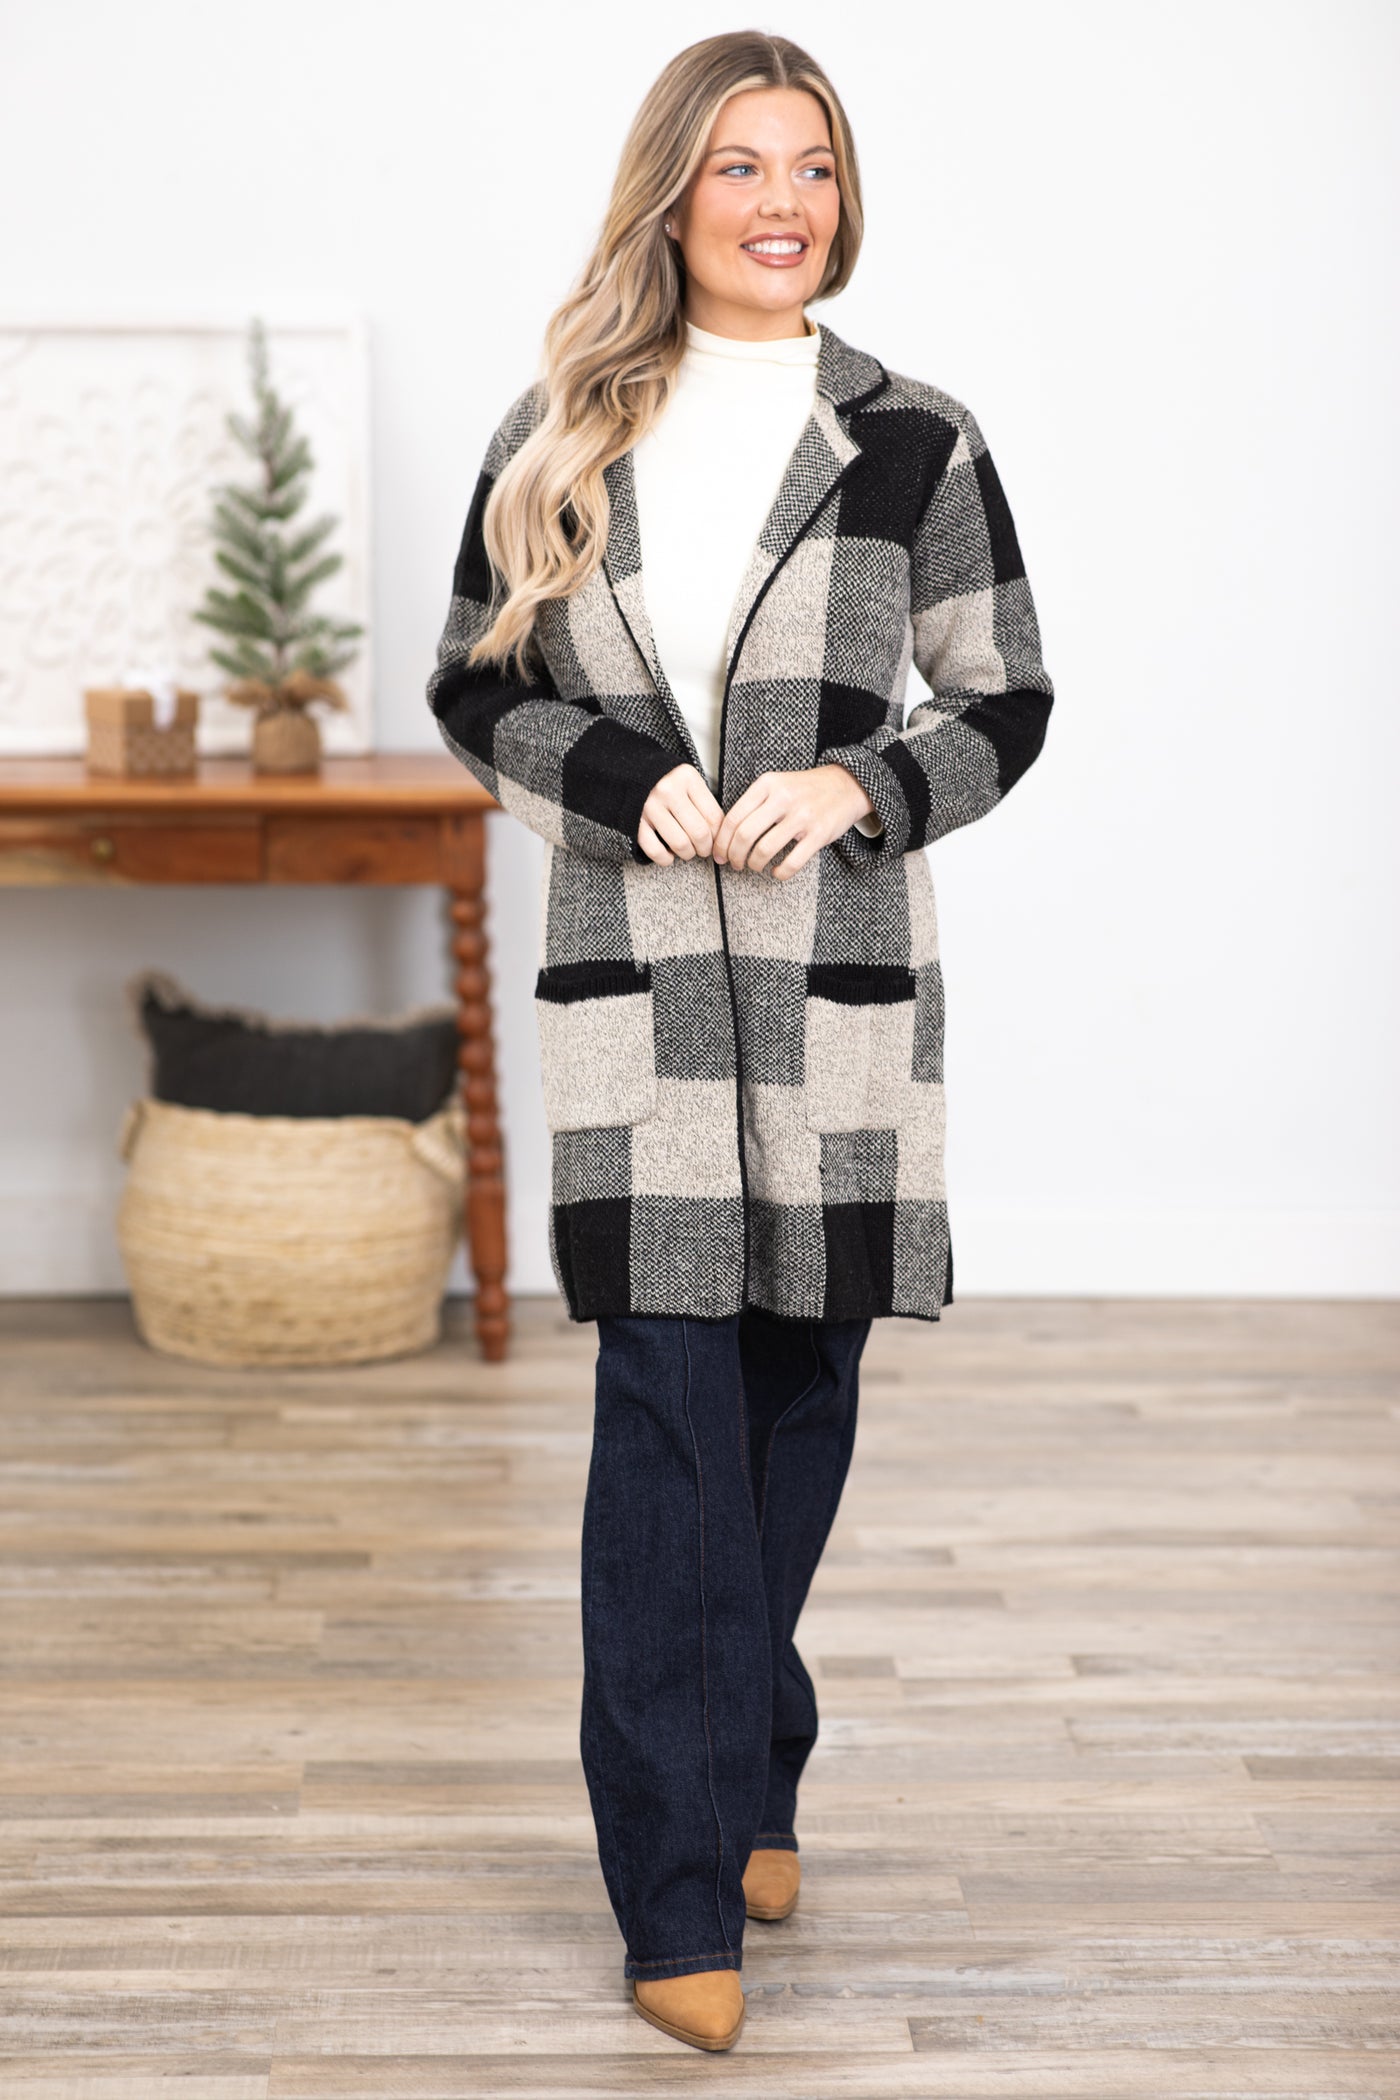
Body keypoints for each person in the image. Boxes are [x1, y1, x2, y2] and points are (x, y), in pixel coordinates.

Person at [426, 28, 1054, 2054]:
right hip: (638, 999)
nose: (782, 203)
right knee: (667, 1427)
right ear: (672, 196)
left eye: (812, 167)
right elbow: (476, 686)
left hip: (835, 995)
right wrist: (627, 781)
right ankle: (678, 1889)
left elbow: (1005, 697)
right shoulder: (563, 429)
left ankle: (752, 1751)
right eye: (739, 168)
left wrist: (861, 786)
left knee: (797, 1407)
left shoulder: (914, 442)